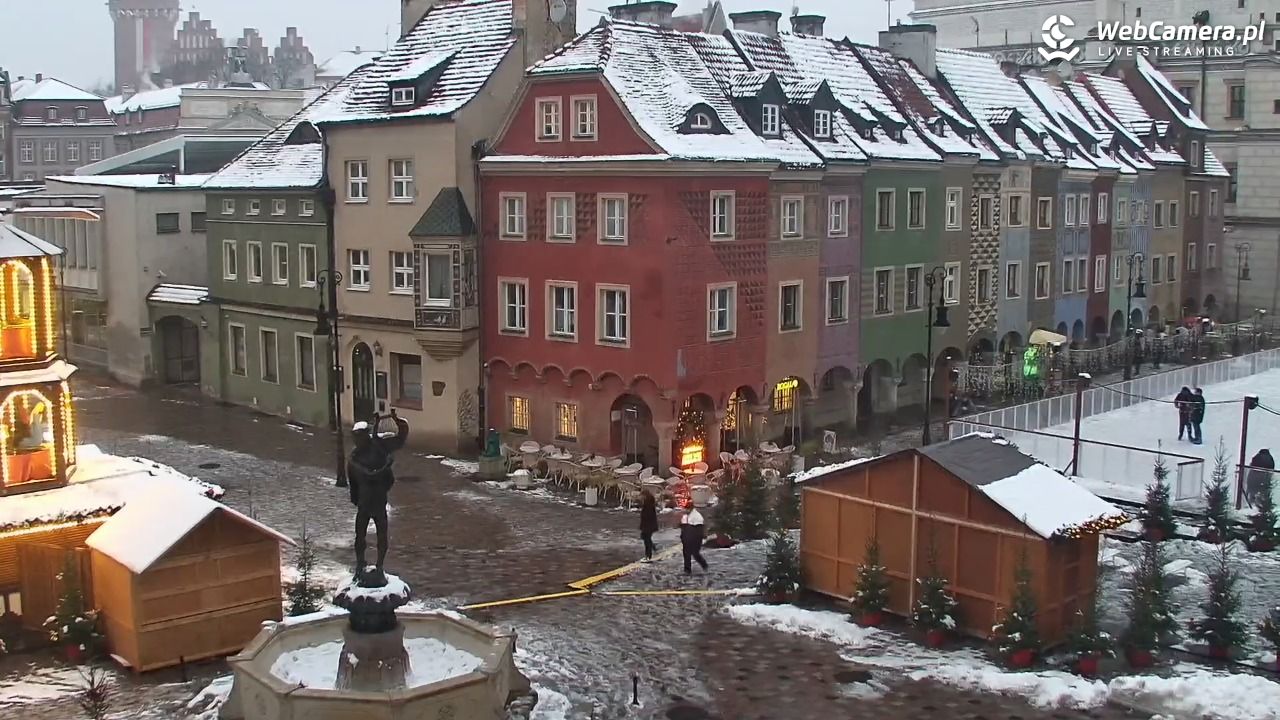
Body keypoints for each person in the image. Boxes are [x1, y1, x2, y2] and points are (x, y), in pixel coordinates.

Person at [347, 409, 409, 573]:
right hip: (365, 501)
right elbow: (353, 480)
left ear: (365, 436)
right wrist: (356, 497)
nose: (356, 441)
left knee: (382, 536)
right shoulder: (355, 457)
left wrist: (397, 420)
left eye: (358, 438)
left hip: (378, 500)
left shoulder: (379, 447)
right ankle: (361, 564)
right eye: (355, 438)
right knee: (360, 536)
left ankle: (380, 565)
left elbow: (401, 438)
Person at [679, 503, 708, 574]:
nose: (685, 510)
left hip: (695, 538)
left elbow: (699, 529)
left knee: (695, 553)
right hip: (687, 538)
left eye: (687, 509)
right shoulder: (686, 516)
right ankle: (687, 570)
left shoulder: (697, 516)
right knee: (686, 554)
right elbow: (683, 527)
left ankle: (704, 565)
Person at [639, 489, 659, 562]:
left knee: (647, 540)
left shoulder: (648, 505)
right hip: (647, 525)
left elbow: (648, 516)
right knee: (645, 537)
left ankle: (648, 556)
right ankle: (653, 548)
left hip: (648, 525)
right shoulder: (647, 503)